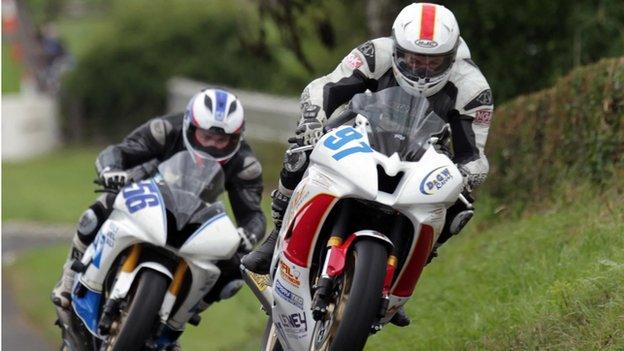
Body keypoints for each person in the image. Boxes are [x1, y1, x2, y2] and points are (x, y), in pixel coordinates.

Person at [242, 2, 494, 326]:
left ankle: (396, 277)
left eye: (433, 62)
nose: (421, 70)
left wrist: (468, 173)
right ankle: (276, 236)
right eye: (413, 59)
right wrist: (313, 118)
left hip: (426, 153)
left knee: (459, 207)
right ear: (398, 48)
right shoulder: (376, 53)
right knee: (301, 151)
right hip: (360, 129)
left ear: (452, 56)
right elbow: (325, 87)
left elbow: (473, 152)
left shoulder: (473, 87)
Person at [51, 88, 266, 317]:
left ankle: (181, 320)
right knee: (98, 210)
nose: (212, 145)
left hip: (199, 217)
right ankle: (68, 280)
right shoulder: (164, 130)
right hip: (148, 194)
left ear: (236, 138)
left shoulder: (245, 165)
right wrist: (111, 170)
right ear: (190, 127)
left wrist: (248, 234)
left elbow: (254, 215)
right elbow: (118, 152)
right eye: (206, 136)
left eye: (221, 140)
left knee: (235, 270)